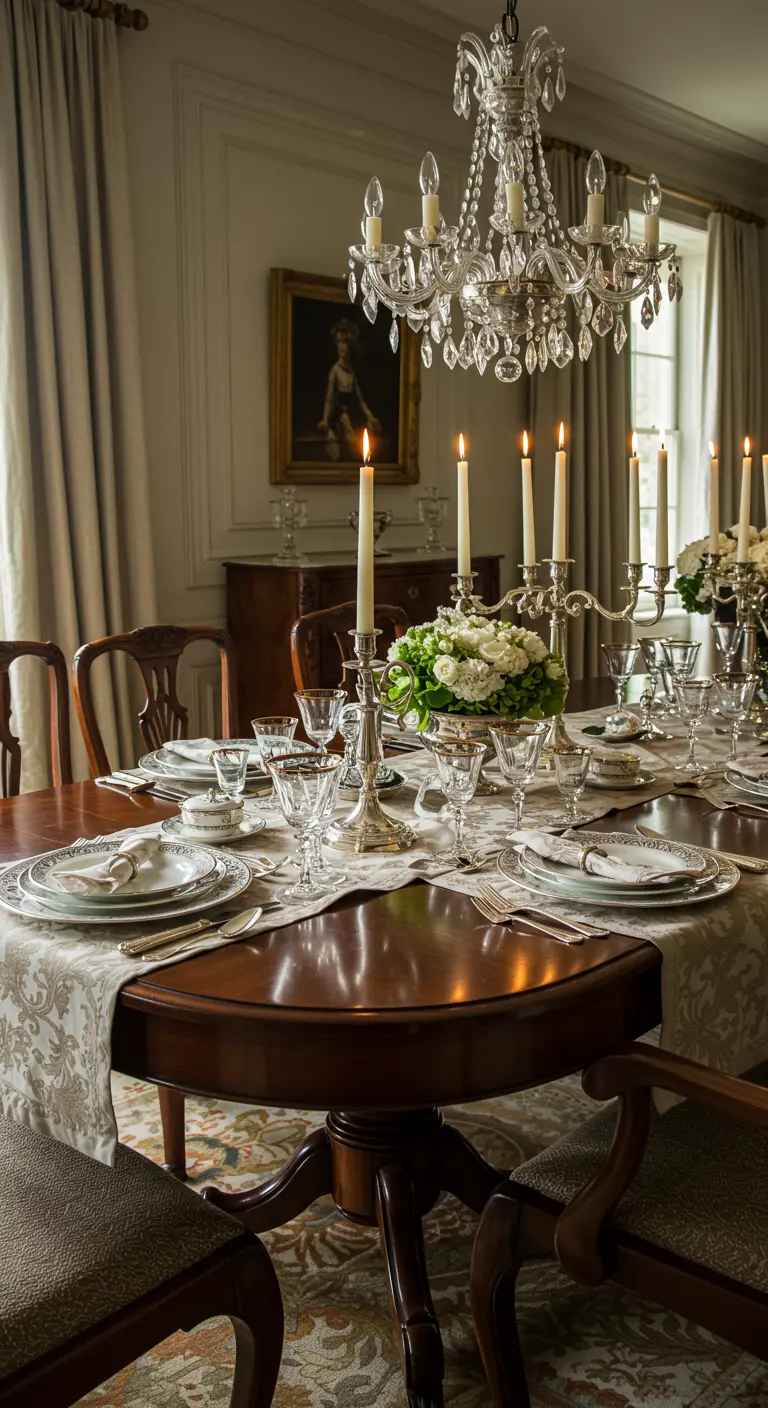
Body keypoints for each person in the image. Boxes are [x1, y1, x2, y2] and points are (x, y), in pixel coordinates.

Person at [318, 319, 381, 461]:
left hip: (351, 415)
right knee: (349, 436)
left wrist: (370, 416)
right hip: (338, 416)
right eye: (339, 342)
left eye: (344, 343)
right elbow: (329, 398)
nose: (341, 347)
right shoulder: (335, 371)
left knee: (368, 433)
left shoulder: (351, 373)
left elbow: (360, 400)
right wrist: (325, 420)